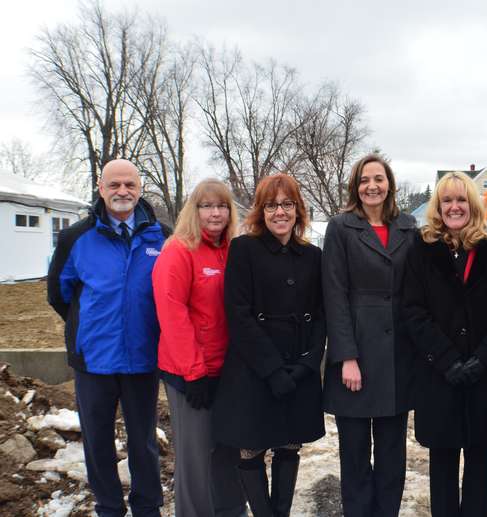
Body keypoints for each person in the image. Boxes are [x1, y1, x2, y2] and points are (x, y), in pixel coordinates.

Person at [47, 159, 167, 517]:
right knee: (97, 441)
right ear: (101, 188)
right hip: (94, 359)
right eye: (114, 185)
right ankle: (109, 507)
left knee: (144, 441)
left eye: (129, 184)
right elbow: (59, 293)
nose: (122, 192)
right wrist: (88, 326)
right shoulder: (76, 238)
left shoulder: (162, 235)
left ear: (140, 188)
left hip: (144, 357)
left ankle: (147, 507)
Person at [403, 172, 487, 517]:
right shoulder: (421, 248)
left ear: (473, 204)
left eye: (461, 200)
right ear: (438, 208)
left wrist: (482, 359)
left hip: (486, 376)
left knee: (481, 469)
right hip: (440, 377)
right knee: (441, 469)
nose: (455, 207)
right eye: (447, 201)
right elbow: (413, 310)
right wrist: (447, 360)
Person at [211, 173, 325, 517]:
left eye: (287, 204)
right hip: (254, 370)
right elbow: (239, 314)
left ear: (298, 210)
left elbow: (322, 315)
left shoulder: (313, 256)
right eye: (272, 205)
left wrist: (307, 364)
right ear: (261, 211)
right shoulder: (244, 249)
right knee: (252, 448)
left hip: (298, 368)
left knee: (290, 446)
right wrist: (272, 369)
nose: (280, 212)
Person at [321, 154, 416, 517]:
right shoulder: (341, 227)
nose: (371, 186)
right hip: (356, 355)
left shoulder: (409, 228)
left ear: (389, 184)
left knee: (393, 455)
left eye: (378, 179)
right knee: (356, 455)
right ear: (355, 186)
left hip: (397, 356)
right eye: (364, 180)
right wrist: (347, 356)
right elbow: (334, 294)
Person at [152, 178, 245, 517]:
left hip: (227, 371)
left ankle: (230, 511)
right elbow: (172, 314)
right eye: (207, 206)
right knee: (195, 457)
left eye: (222, 206)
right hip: (189, 374)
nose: (215, 212)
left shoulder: (233, 248)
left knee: (227, 450)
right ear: (195, 210)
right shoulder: (179, 250)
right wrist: (194, 372)